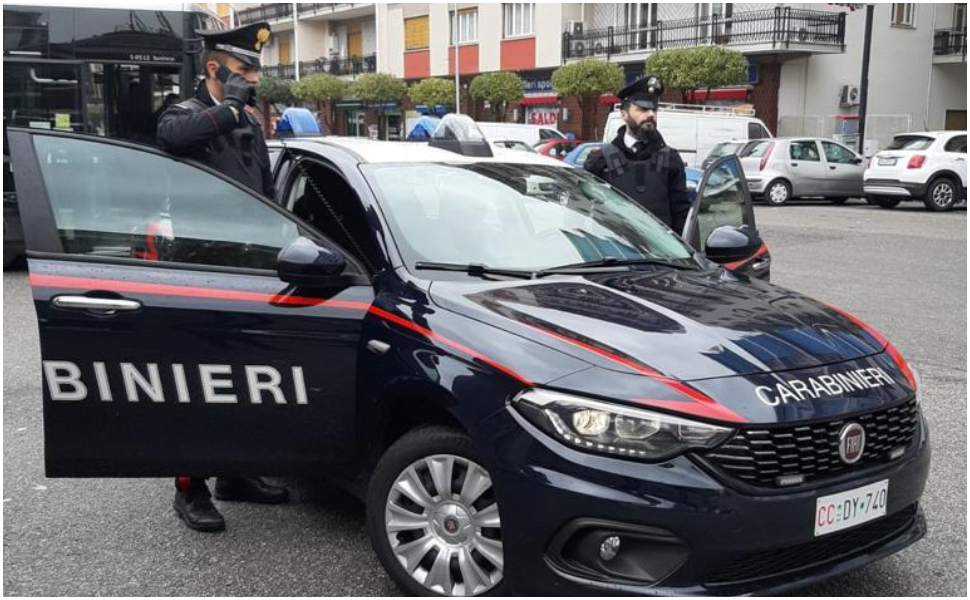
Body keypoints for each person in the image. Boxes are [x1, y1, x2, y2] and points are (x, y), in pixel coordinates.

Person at [155, 21, 288, 533]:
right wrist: (229, 108)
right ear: (214, 69)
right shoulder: (186, 113)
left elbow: (264, 186)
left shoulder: (249, 120)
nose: (252, 80)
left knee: (241, 379)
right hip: (200, 269)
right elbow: (169, 137)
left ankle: (236, 472)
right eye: (242, 71)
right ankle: (190, 487)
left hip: (248, 268)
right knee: (198, 382)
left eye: (254, 72)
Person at [584, 76, 691, 234]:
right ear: (624, 114)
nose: (650, 114)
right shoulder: (600, 160)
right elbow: (582, 211)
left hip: (661, 255)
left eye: (653, 109)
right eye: (642, 109)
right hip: (615, 253)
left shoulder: (670, 159)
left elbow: (681, 214)